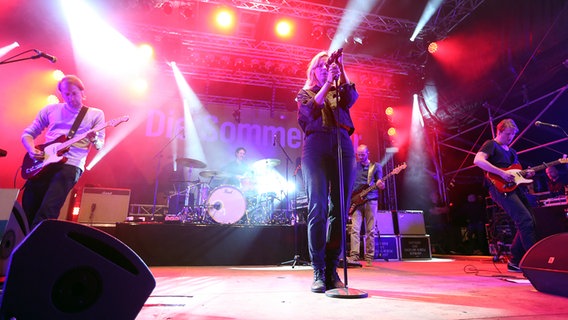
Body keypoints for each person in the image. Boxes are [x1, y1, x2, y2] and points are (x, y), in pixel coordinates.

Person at [296, 49, 358, 293]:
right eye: (321, 66)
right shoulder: (304, 93)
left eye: (328, 65)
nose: (326, 68)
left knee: (339, 209)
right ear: (313, 71)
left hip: (341, 142)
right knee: (318, 207)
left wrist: (340, 70)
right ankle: (318, 270)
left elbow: (351, 98)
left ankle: (332, 269)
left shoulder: (339, 89)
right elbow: (309, 111)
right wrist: (326, 84)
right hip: (315, 146)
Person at [21, 75, 105, 229]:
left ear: (82, 93)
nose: (71, 97)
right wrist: (31, 149)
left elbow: (100, 145)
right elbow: (28, 133)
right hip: (44, 162)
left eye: (74, 93)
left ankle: (36, 247)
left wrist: (94, 139)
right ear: (61, 94)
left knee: (48, 210)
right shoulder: (50, 110)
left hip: (71, 164)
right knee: (28, 206)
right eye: (66, 94)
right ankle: (21, 245)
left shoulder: (95, 114)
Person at [473, 118, 536, 272]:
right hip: (499, 188)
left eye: (513, 135)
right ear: (499, 131)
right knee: (525, 220)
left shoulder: (512, 152)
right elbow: (478, 160)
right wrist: (501, 172)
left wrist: (527, 173)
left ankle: (515, 261)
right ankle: (532, 263)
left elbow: (516, 172)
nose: (510, 138)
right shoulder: (491, 145)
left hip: (515, 188)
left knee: (530, 221)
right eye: (507, 134)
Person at [348, 144, 384, 267]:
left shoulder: (376, 166)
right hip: (356, 201)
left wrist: (381, 184)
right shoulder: (354, 166)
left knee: (370, 230)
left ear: (368, 153)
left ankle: (369, 257)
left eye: (363, 154)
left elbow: (380, 182)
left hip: (371, 199)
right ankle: (354, 256)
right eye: (358, 155)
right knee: (354, 229)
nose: (360, 157)